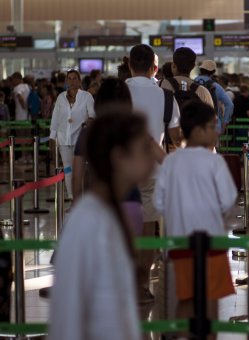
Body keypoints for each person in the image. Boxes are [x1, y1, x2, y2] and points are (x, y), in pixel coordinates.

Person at [48, 112, 155, 340]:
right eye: (144, 148)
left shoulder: (111, 214)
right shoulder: (88, 221)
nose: (151, 157)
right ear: (119, 157)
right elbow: (68, 316)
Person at [154, 100, 237, 336]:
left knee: (186, 296)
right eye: (213, 126)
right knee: (210, 301)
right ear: (199, 131)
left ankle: (174, 334)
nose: (217, 131)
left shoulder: (170, 162)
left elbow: (159, 202)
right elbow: (228, 199)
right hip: (211, 243)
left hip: (180, 243)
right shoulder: (214, 161)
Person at [125, 43, 180, 304]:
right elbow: (176, 137)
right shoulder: (166, 97)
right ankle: (143, 285)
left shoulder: (117, 93)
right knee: (147, 230)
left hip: (121, 173)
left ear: (128, 65)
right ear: (154, 68)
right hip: (154, 171)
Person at [49, 70, 95, 200]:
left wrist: (88, 122)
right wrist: (52, 137)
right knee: (68, 170)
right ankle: (72, 198)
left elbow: (92, 114)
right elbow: (55, 119)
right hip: (64, 140)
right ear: (66, 81)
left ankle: (83, 198)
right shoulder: (60, 97)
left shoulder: (86, 96)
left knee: (81, 171)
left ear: (79, 81)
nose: (72, 81)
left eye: (75, 78)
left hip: (80, 140)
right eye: (69, 78)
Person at [195, 60, 234, 133]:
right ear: (213, 72)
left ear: (200, 70)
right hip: (213, 125)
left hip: (194, 125)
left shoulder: (190, 84)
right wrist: (224, 122)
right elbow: (230, 104)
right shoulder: (216, 86)